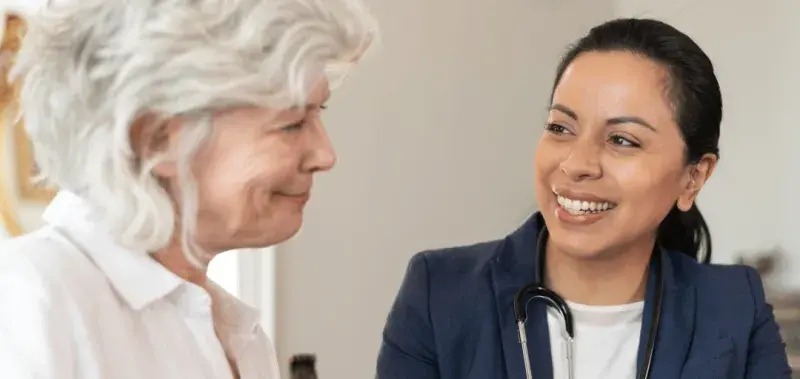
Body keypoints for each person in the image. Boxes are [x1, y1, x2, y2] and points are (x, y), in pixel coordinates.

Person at [376, 18, 791, 379]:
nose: (577, 164)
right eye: (560, 128)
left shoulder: (735, 307)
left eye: (622, 140)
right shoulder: (440, 293)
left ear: (693, 178)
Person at [0, 0, 376, 378]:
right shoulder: (26, 305)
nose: (325, 155)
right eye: (292, 123)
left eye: (319, 113)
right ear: (157, 139)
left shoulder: (237, 336)